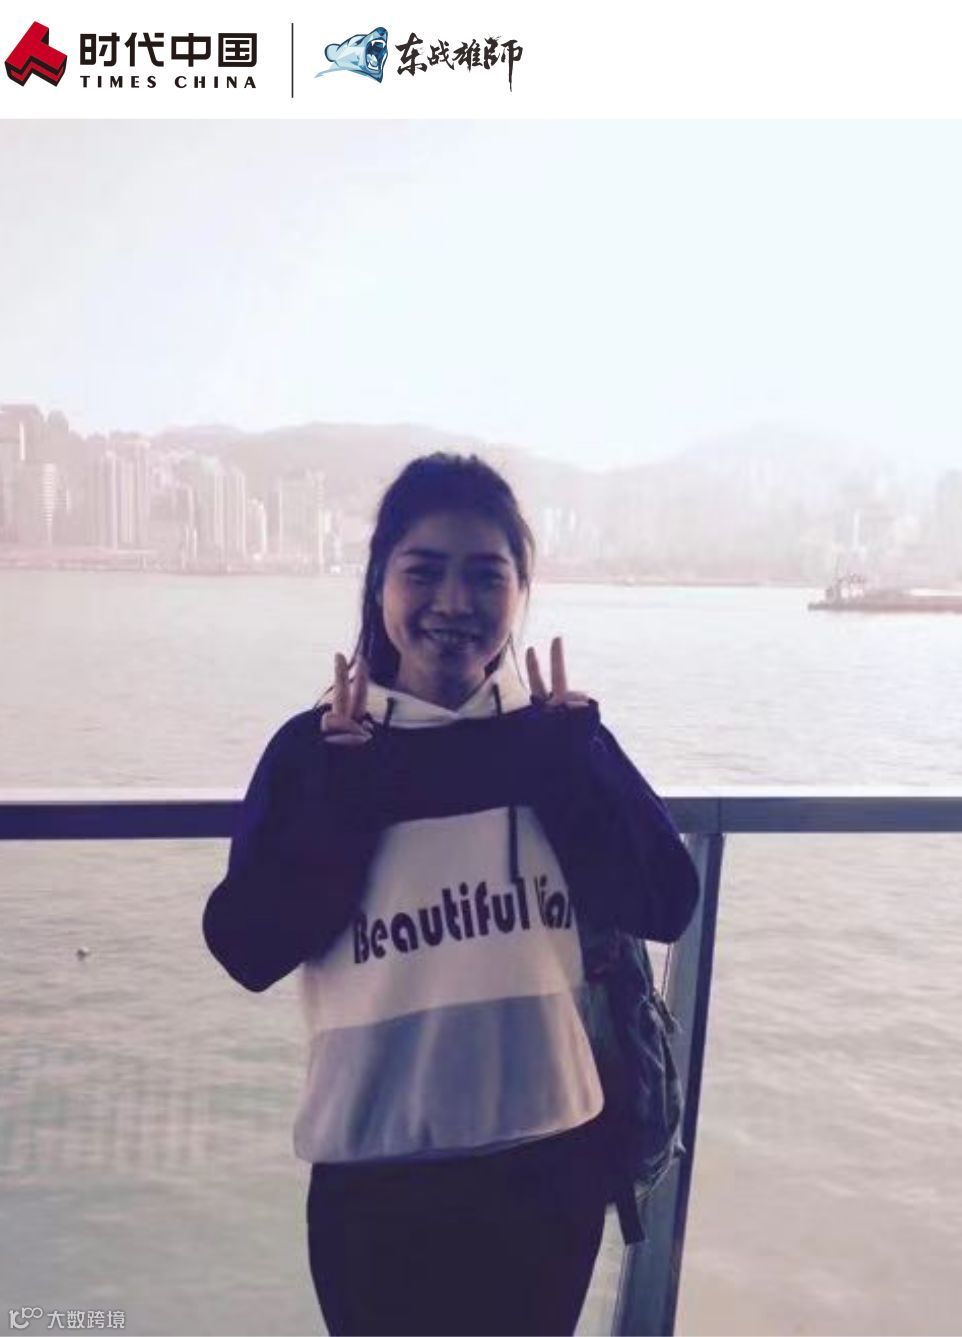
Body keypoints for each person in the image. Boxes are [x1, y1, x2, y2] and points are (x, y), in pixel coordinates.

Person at [202, 453, 699, 1337]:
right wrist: (344, 806)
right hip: (376, 1177)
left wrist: (575, 765)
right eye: (423, 570)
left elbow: (665, 900)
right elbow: (246, 946)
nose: (453, 601)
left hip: (549, 1168)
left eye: (486, 574)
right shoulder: (319, 753)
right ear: (379, 584)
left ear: (522, 591)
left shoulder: (556, 741)